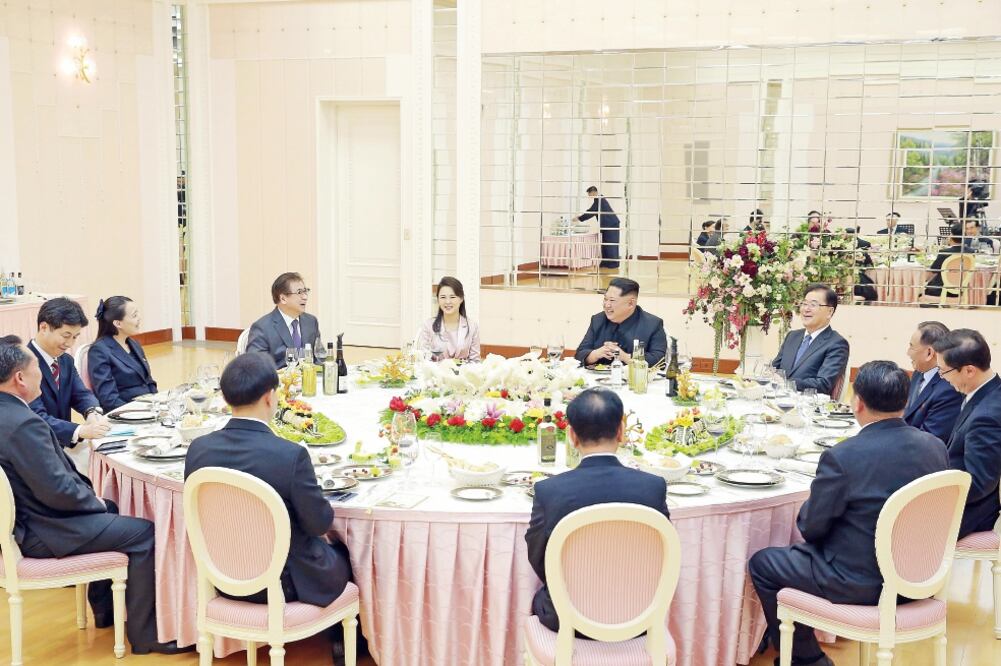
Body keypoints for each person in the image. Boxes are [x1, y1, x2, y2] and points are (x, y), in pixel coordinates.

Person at [749, 361, 949, 666]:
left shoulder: (844, 456)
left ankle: (807, 659)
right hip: (920, 579)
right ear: (905, 402)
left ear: (857, 403)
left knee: (763, 563)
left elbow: (811, 528)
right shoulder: (935, 447)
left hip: (860, 583)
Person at [0, 336, 188, 655]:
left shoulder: (10, 415)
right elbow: (57, 490)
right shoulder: (23, 423)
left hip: (28, 520)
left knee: (112, 508)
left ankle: (104, 611)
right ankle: (145, 635)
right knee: (142, 533)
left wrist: (98, 503)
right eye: (36, 372)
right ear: (20, 378)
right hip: (44, 530)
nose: (41, 378)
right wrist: (93, 502)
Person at [185, 352, 353, 608]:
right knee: (349, 555)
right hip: (283, 583)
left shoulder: (198, 449)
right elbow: (319, 524)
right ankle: (345, 639)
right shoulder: (290, 455)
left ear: (225, 397)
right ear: (269, 397)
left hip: (223, 577)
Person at [525, 388, 669, 634]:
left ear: (572, 436)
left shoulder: (550, 491)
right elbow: (663, 553)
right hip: (639, 616)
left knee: (540, 598)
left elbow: (540, 558)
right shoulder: (653, 487)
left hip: (567, 619)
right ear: (621, 431)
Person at [931, 329, 1001, 538]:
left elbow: (980, 482)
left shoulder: (986, 417)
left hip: (972, 511)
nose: (942, 378)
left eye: (943, 371)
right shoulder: (987, 391)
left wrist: (930, 494)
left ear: (969, 370)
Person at [28, 297, 110, 448]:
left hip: (62, 444)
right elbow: (36, 417)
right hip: (37, 449)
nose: (70, 343)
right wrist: (80, 430)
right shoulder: (23, 366)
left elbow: (80, 394)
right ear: (44, 327)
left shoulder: (65, 360)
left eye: (75, 337)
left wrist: (91, 412)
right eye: (66, 336)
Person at [771, 283, 849, 396]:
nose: (806, 309)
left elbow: (823, 384)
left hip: (808, 407)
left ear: (829, 312)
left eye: (813, 305)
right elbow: (774, 369)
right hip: (779, 400)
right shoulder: (792, 336)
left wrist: (786, 383)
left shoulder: (837, 344)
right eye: (804, 303)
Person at [574, 277, 668, 368]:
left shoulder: (652, 324)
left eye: (612, 300)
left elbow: (659, 360)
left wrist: (625, 357)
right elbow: (579, 354)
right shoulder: (598, 320)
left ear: (631, 303)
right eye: (605, 299)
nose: (607, 305)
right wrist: (596, 354)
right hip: (598, 380)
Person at [87, 297, 159, 412]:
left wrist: (157, 403)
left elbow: (149, 381)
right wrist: (139, 412)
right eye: (134, 315)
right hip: (125, 414)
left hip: (148, 409)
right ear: (118, 323)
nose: (139, 318)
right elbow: (109, 399)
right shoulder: (99, 351)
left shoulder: (133, 344)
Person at [903, 321, 963, 443]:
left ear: (929, 353)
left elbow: (930, 439)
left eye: (912, 347)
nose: (908, 353)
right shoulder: (919, 372)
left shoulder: (949, 389)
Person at [247, 272, 321, 369]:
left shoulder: (311, 322)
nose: (305, 297)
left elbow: (319, 357)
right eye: (299, 292)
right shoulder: (262, 328)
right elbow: (256, 366)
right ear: (283, 298)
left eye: (305, 291)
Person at [416, 276, 480, 362]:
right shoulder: (428, 326)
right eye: (443, 297)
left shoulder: (472, 326)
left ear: (461, 298)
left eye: (452, 297)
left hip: (463, 374)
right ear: (438, 299)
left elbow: (475, 361)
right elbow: (424, 360)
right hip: (436, 374)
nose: (447, 302)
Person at [573, 186, 620, 269]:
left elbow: (591, 212)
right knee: (605, 244)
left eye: (589, 194)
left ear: (593, 192)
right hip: (607, 224)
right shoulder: (598, 200)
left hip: (611, 224)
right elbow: (591, 210)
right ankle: (606, 262)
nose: (589, 196)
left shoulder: (599, 200)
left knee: (610, 244)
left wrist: (579, 218)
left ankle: (613, 263)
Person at [923, 222, 969, 298]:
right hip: (962, 287)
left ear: (951, 235)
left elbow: (931, 273)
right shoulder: (971, 252)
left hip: (941, 288)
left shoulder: (944, 253)